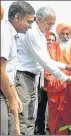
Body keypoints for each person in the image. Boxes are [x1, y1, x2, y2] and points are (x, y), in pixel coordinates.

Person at [15, 7, 71, 135]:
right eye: (49, 24)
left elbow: (47, 60)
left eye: (52, 24)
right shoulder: (32, 33)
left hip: (35, 79)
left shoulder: (41, 35)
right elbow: (44, 62)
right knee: (25, 116)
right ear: (39, 20)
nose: (50, 28)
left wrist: (67, 67)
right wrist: (65, 78)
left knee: (30, 117)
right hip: (25, 77)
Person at [0, 2, 35, 135]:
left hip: (5, 88)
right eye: (28, 22)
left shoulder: (11, 34)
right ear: (17, 17)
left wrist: (15, 97)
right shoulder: (5, 33)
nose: (30, 26)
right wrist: (11, 99)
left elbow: (8, 73)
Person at [35, 31, 57, 135]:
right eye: (49, 40)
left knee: (53, 109)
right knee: (41, 107)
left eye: (53, 40)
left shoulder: (57, 52)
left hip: (54, 85)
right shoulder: (40, 51)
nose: (51, 42)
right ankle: (40, 130)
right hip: (42, 83)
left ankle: (52, 129)